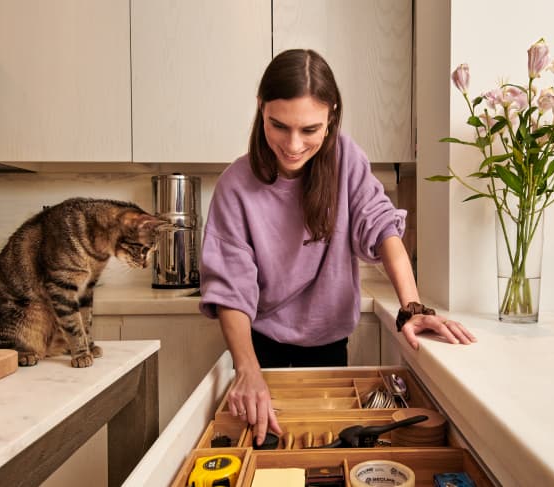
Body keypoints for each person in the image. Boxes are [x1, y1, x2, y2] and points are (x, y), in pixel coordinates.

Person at [199, 49, 476, 446]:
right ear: (261, 109)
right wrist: (246, 369)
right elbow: (230, 287)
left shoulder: (346, 160)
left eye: (309, 129)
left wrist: (413, 306)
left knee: (327, 443)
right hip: (258, 345)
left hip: (328, 342)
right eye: (279, 125)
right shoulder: (235, 185)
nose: (293, 145)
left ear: (331, 116)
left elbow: (382, 227)